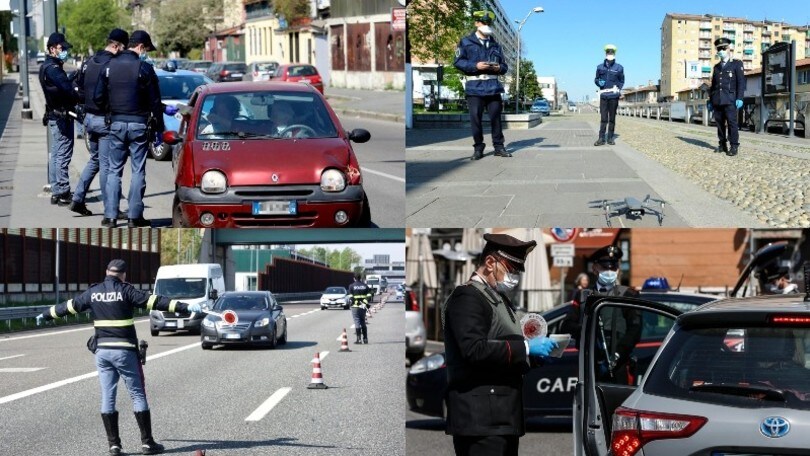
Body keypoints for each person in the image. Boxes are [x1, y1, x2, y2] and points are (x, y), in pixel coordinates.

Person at [35, 259, 203, 455]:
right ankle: (147, 443)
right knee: (137, 394)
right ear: (123, 274)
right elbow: (156, 301)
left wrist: (46, 314)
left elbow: (70, 306)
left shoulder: (93, 292)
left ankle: (114, 446)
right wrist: (186, 307)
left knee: (108, 397)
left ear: (107, 272)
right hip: (125, 352)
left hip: (102, 353)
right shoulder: (127, 291)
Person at [442, 233, 557, 456]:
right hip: (480, 418)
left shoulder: (496, 298)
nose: (514, 276)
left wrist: (531, 357)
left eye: (517, 270)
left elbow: (501, 348)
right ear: (489, 263)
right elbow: (474, 350)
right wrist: (525, 348)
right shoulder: (468, 297)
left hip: (499, 416)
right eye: (510, 268)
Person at [94, 30, 165, 228]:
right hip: (138, 125)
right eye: (147, 49)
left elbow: (98, 98)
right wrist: (159, 128)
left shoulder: (109, 66)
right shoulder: (144, 68)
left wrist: (112, 109)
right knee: (137, 169)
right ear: (141, 47)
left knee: (114, 170)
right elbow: (155, 102)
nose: (146, 53)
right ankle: (134, 216)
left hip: (115, 123)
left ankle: (110, 216)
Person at [69, 28, 129, 221]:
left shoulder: (90, 61)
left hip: (88, 119)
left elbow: (77, 85)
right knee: (107, 165)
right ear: (117, 45)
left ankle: (78, 198)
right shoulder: (112, 64)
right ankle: (110, 209)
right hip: (105, 120)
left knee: (94, 160)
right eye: (123, 48)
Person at [560, 245, 641, 384]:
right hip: (589, 363)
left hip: (618, 364)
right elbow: (566, 325)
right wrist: (587, 330)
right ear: (595, 268)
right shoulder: (583, 295)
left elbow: (635, 328)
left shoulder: (628, 295)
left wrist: (618, 354)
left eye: (613, 267)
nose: (609, 271)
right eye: (605, 267)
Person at [453, 10, 510, 160]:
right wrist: (476, 65)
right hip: (475, 87)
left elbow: (504, 66)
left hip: (493, 87)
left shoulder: (496, 45)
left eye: (489, 23)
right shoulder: (466, 42)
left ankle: (499, 147)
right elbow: (458, 62)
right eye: (484, 22)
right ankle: (478, 147)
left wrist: (499, 68)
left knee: (496, 119)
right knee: (475, 119)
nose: (487, 26)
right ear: (476, 23)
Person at [39, 32, 80, 206]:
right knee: (62, 154)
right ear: (52, 49)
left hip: (54, 115)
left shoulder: (46, 67)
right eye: (61, 48)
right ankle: (63, 192)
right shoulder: (54, 69)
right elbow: (68, 91)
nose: (65, 51)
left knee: (56, 154)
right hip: (61, 116)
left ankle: (56, 191)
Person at [708, 37, 745, 157]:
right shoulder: (716, 67)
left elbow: (741, 82)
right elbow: (713, 85)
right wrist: (710, 100)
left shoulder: (736, 64)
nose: (721, 50)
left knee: (732, 123)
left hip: (730, 99)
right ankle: (722, 144)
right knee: (719, 123)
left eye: (723, 48)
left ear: (729, 48)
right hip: (717, 99)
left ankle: (734, 145)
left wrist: (740, 97)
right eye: (719, 49)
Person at [594, 44, 624, 146]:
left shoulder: (619, 67)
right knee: (603, 118)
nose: (610, 54)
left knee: (612, 118)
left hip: (613, 97)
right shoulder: (599, 67)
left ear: (614, 54)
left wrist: (618, 89)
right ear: (605, 53)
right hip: (604, 96)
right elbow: (596, 79)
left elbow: (621, 80)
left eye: (611, 52)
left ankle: (610, 138)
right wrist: (599, 82)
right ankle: (601, 138)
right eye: (608, 52)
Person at [347, 273, 373, 344]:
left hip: (355, 307)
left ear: (354, 278)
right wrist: (364, 302)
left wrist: (356, 302)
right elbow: (370, 295)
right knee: (363, 321)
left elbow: (351, 297)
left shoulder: (351, 286)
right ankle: (365, 339)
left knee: (357, 321)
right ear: (360, 278)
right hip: (363, 306)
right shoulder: (365, 286)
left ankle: (359, 340)